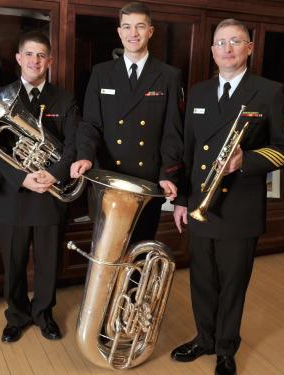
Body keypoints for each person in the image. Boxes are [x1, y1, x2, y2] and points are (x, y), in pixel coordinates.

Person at [170, 19, 284, 375]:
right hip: (201, 205)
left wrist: (247, 160)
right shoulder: (198, 92)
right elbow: (187, 152)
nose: (227, 48)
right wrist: (181, 198)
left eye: (235, 41)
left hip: (240, 208)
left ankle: (226, 347)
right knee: (201, 278)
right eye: (220, 42)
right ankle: (203, 338)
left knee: (232, 281)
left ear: (249, 48)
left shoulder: (270, 92)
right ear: (212, 50)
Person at [70, 1, 183, 243]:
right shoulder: (101, 73)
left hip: (148, 181)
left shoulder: (169, 76)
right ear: (119, 32)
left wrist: (167, 173)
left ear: (150, 31)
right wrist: (84, 155)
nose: (133, 33)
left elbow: (172, 132)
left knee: (139, 248)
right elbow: (90, 124)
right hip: (109, 178)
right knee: (107, 248)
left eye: (140, 27)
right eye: (127, 27)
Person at [0, 31, 77, 343]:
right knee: (13, 264)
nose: (35, 61)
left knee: (47, 263)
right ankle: (16, 317)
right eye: (29, 54)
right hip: (12, 194)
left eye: (41, 55)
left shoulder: (64, 98)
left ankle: (43, 314)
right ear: (18, 58)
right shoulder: (1, 96)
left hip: (49, 194)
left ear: (50, 61)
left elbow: (72, 147)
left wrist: (53, 175)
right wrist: (22, 178)